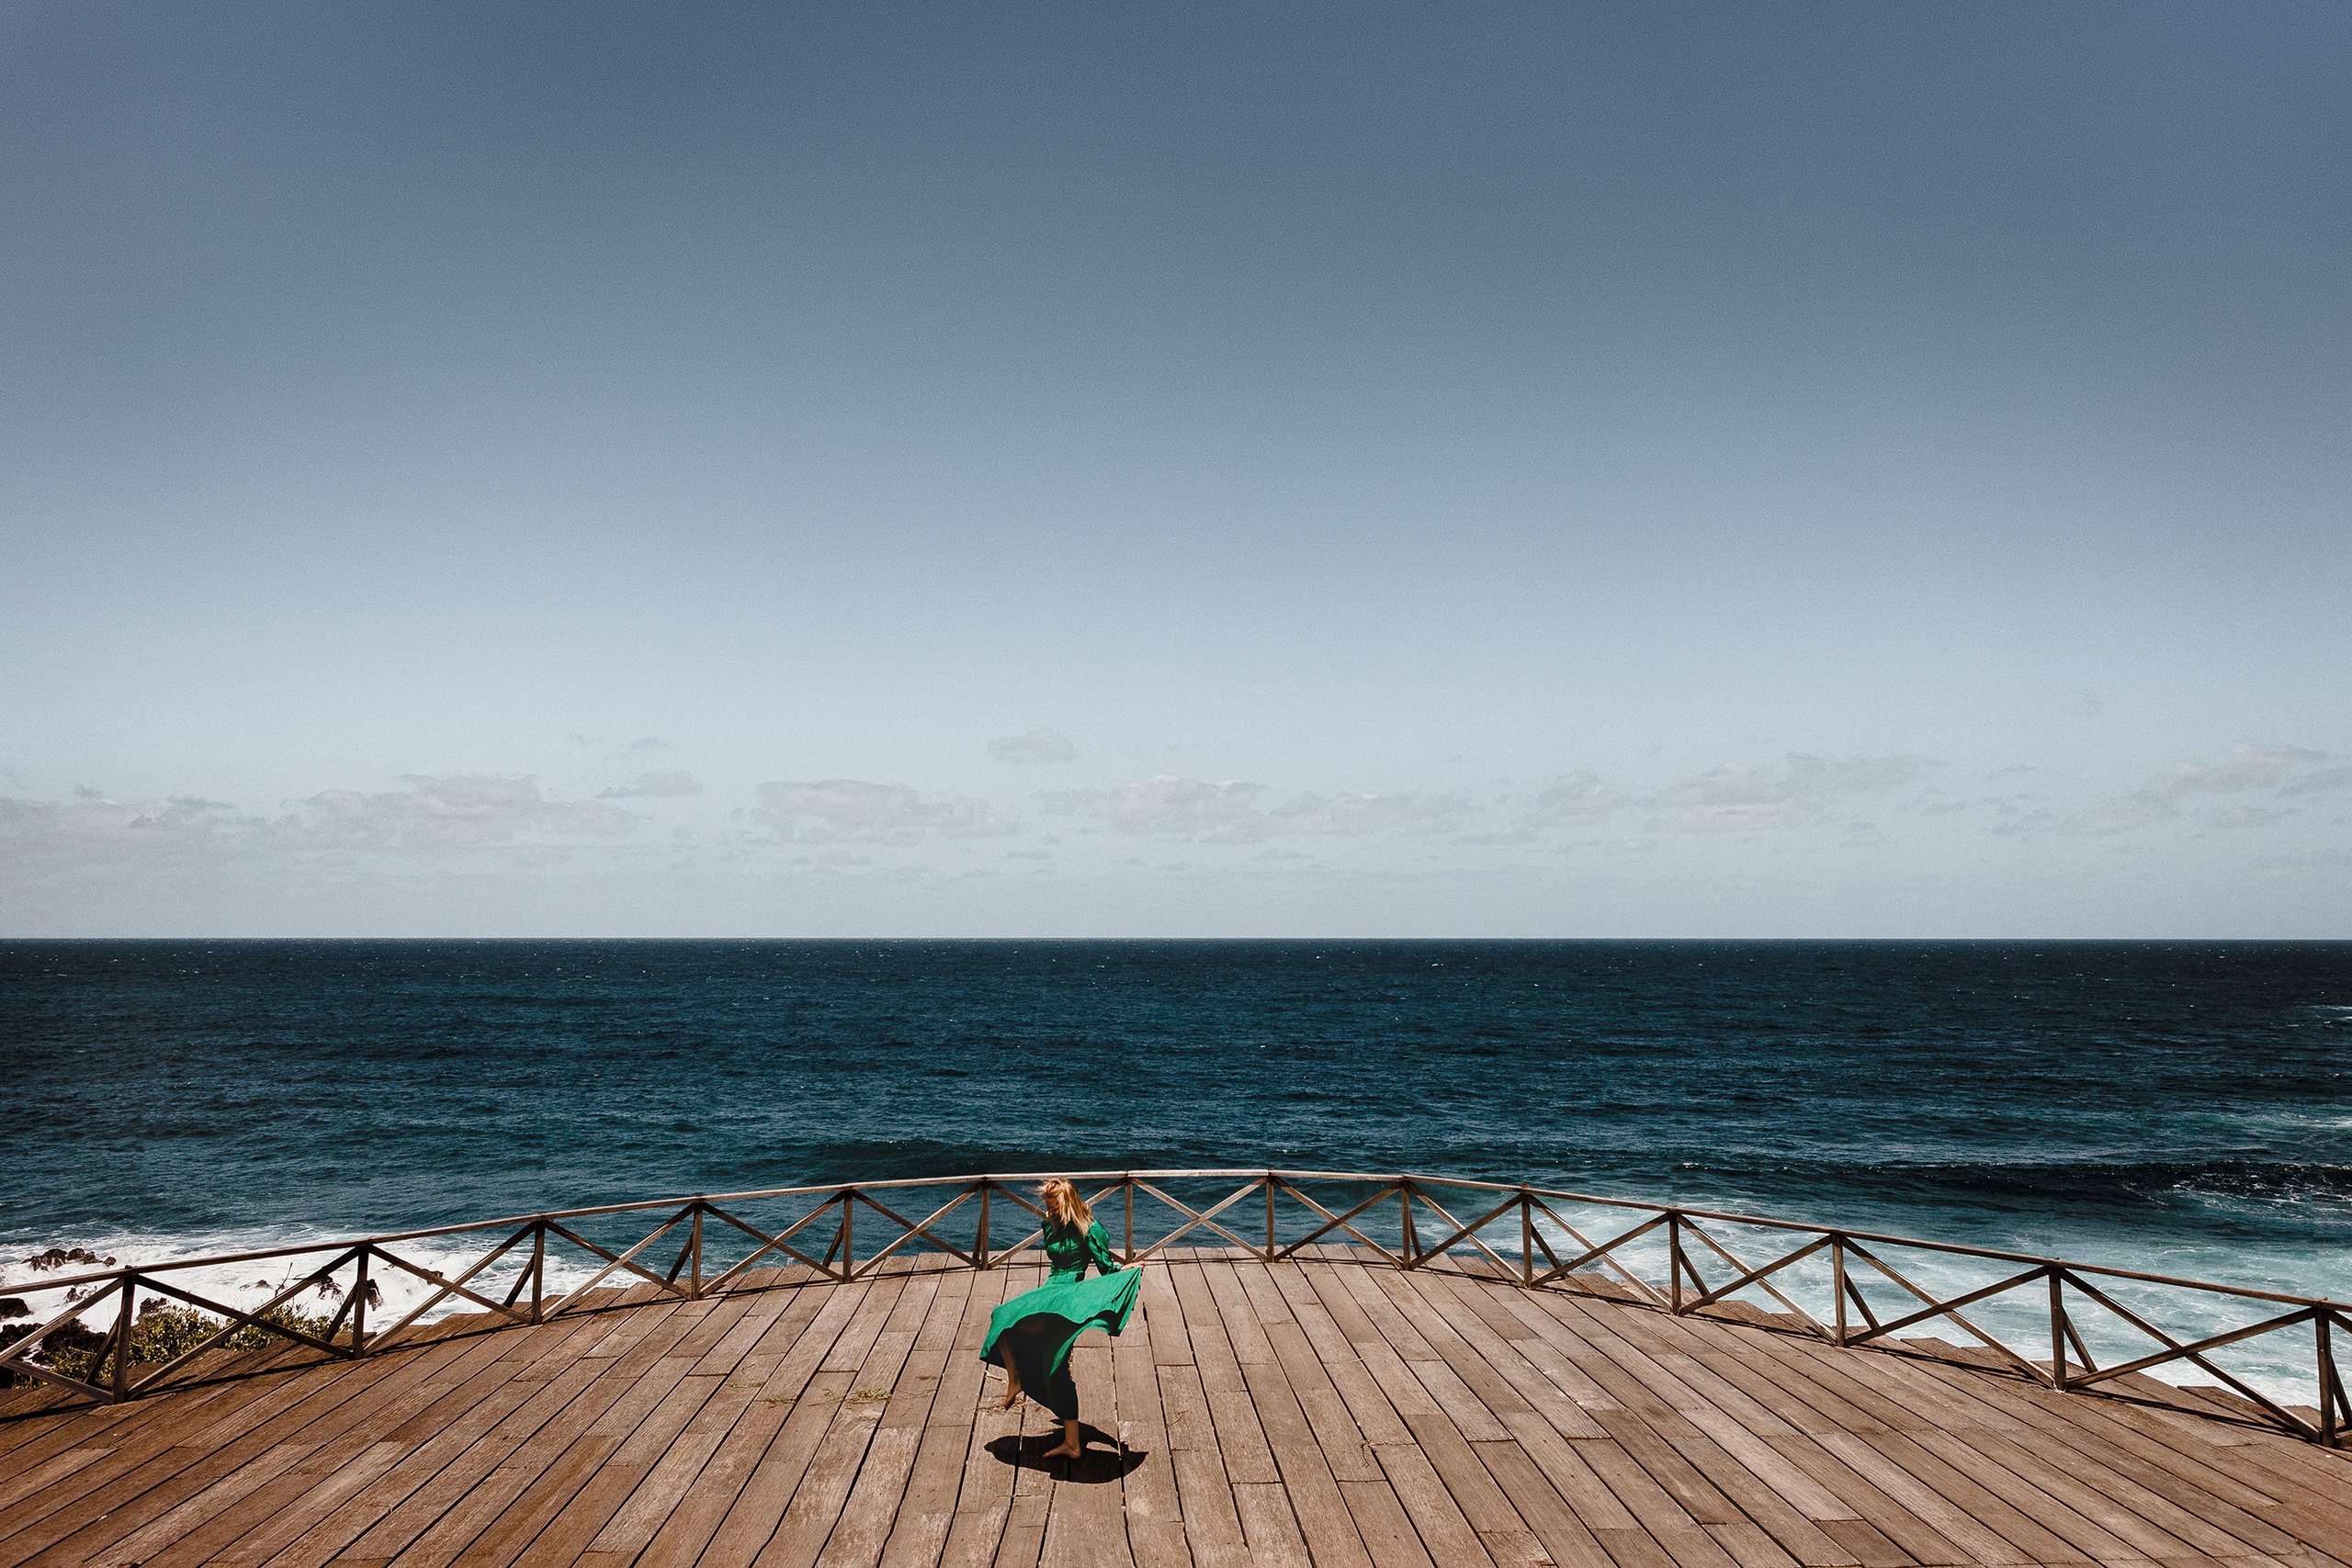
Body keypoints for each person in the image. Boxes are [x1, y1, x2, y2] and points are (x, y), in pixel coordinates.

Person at [978, 1178, 1142, 1460]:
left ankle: (1072, 1443)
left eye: (1054, 1207)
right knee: (1003, 1318)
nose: (1049, 1211)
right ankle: (1016, 1379)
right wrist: (1053, 1221)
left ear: (1067, 1205)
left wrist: (1126, 1271)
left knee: (1055, 1369)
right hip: (1049, 1292)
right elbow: (1056, 1263)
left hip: (1071, 1299)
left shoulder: (1090, 1230)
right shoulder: (1050, 1226)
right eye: (1048, 1206)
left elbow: (1106, 1269)